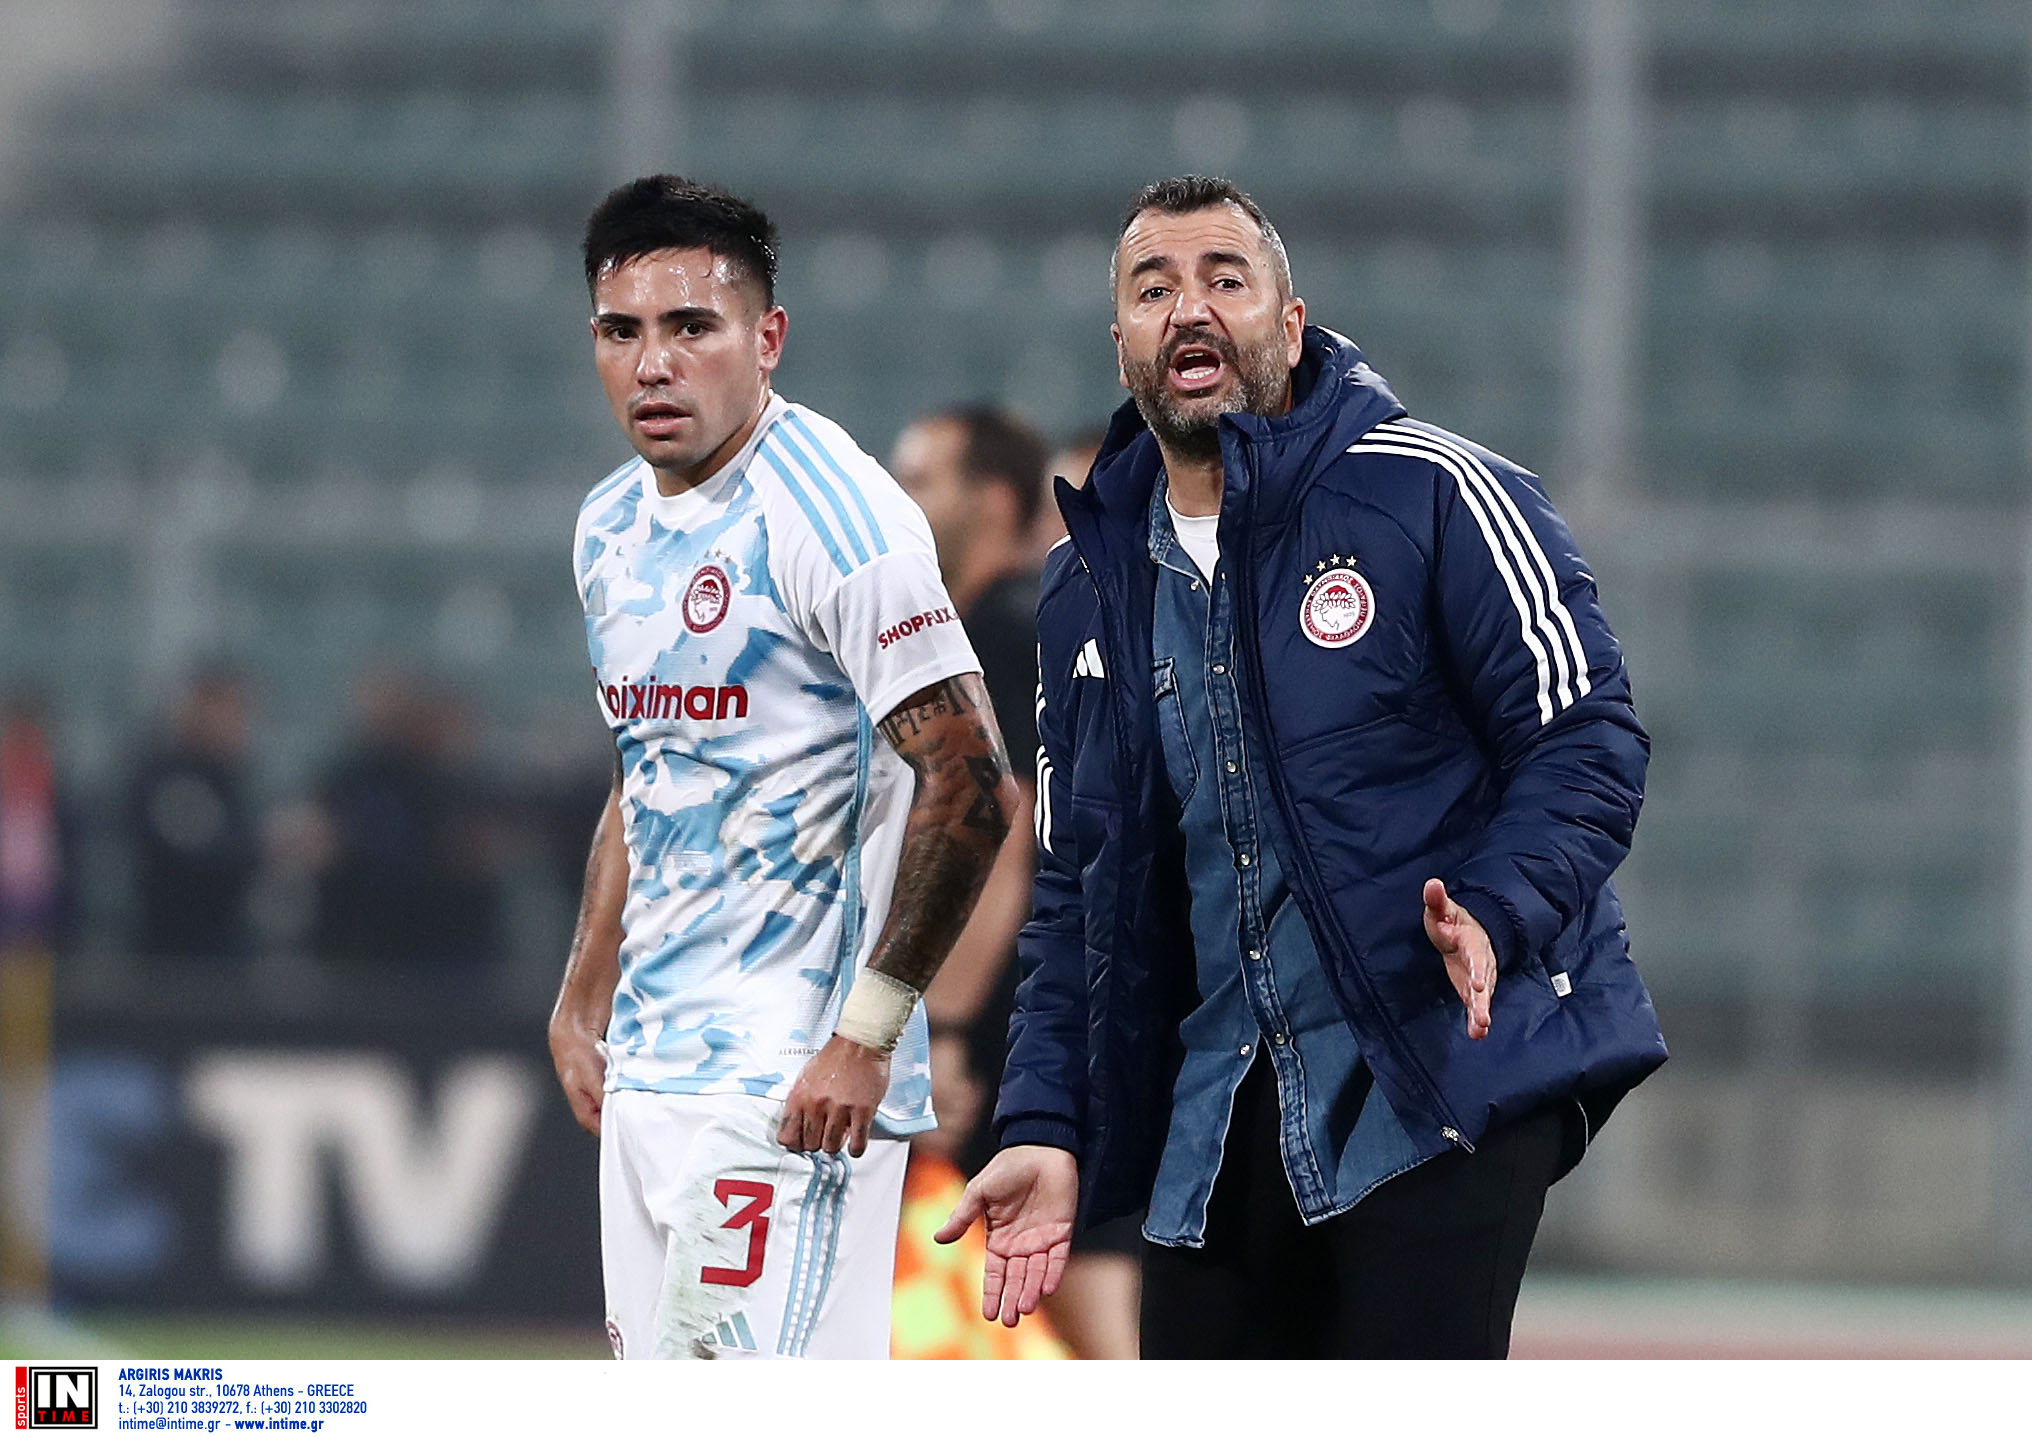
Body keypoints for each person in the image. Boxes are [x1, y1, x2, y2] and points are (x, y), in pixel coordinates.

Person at [938, 176, 1668, 1359]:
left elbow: (1585, 735)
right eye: (1153, 288)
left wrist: (1497, 910)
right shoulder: (1088, 586)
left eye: (1224, 279)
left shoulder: (1434, 492)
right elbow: (1078, 892)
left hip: (1434, 1072)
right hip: (1218, 1112)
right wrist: (1044, 1122)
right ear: (1121, 342)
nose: (1188, 308)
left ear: (1288, 323)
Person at [547, 176, 1018, 1361]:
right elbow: (648, 769)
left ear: (766, 339)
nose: (654, 364)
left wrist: (867, 1035)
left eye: (691, 327)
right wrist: (584, 988)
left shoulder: (836, 519)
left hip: (793, 1085)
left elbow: (970, 783)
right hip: (653, 1066)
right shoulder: (609, 526)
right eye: (621, 331)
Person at [126, 665, 260, 960]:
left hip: (222, 945)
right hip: (175, 952)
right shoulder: (167, 776)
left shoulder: (229, 779)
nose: (238, 722)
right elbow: (199, 852)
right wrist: (266, 846)